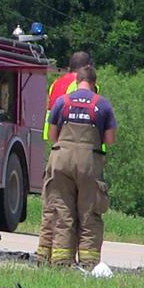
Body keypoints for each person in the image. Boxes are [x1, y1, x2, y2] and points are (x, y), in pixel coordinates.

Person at [44, 65, 116, 268]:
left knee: (62, 212)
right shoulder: (102, 104)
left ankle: (61, 262)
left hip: (61, 159)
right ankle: (89, 263)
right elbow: (110, 140)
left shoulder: (62, 101)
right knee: (89, 213)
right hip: (88, 162)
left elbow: (52, 136)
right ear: (94, 83)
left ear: (77, 81)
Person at [36, 51, 94, 265]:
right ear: (87, 68)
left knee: (53, 207)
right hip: (78, 151)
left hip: (56, 150)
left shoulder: (55, 84)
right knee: (77, 210)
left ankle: (45, 255)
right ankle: (72, 260)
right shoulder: (80, 87)